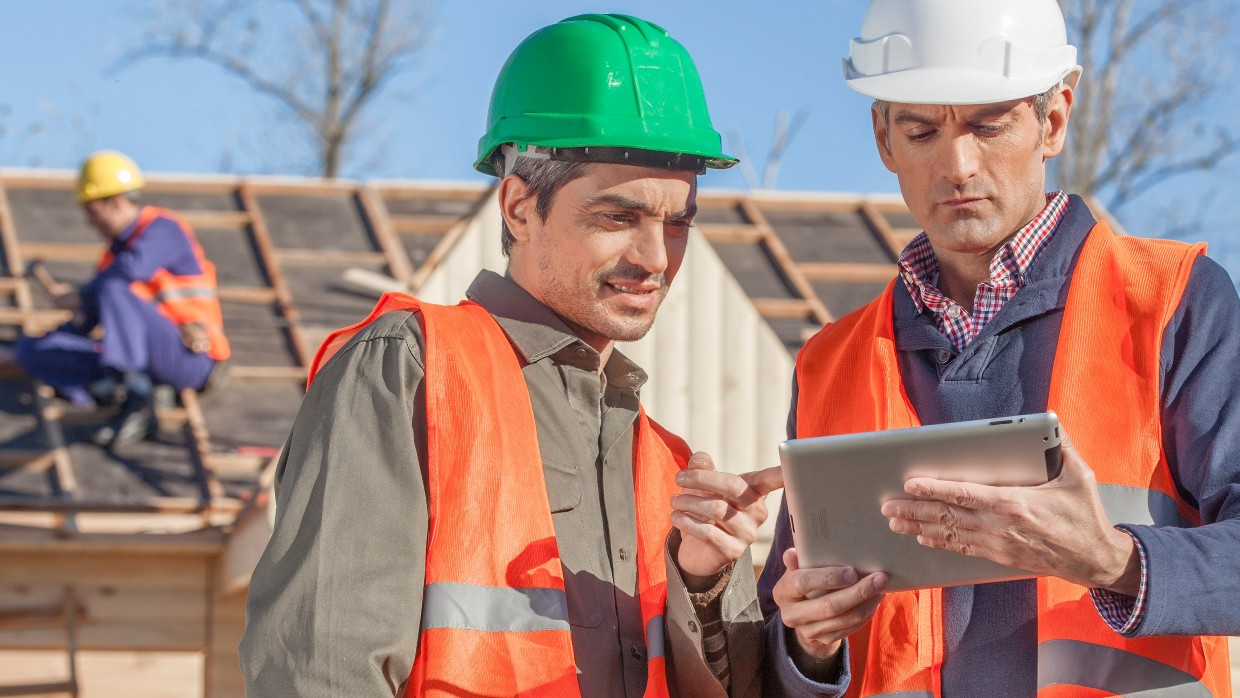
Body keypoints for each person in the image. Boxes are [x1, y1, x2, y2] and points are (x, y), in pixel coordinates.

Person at [241, 14, 778, 697]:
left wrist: (702, 587)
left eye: (678, 223)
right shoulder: (408, 371)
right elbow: (317, 670)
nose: (654, 258)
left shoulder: (668, 468)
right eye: (619, 217)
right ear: (520, 208)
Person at [758, 0, 1239, 695]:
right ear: (884, 138)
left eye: (989, 125)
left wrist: (1112, 560)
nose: (958, 164)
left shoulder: (1172, 302)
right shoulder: (830, 362)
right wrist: (808, 647)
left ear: (1053, 119)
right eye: (922, 130)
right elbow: (791, 641)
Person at [14, 151, 230, 449]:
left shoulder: (163, 229)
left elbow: (132, 270)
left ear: (114, 202)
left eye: (93, 211)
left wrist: (81, 293)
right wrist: (34, 347)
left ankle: (134, 392)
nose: (90, 222)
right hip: (141, 361)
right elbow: (85, 322)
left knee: (114, 286)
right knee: (32, 350)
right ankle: (118, 388)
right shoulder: (110, 264)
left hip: (191, 357)